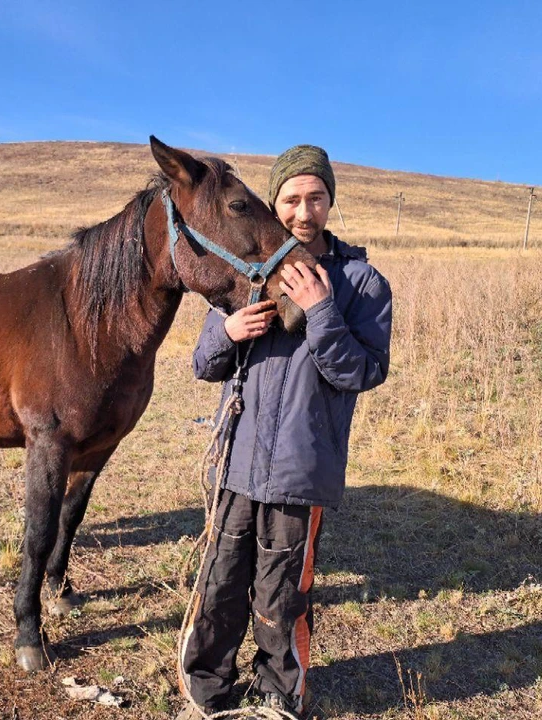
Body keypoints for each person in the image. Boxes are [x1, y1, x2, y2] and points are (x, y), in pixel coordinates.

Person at [177, 146, 392, 719]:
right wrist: (227, 331)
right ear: (273, 205)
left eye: (315, 198)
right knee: (220, 583)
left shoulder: (361, 282)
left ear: (330, 202)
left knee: (284, 591)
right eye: (291, 199)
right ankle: (208, 691)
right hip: (236, 461)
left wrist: (321, 311)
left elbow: (363, 372)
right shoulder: (246, 271)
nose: (303, 211)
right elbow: (203, 365)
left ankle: (279, 694)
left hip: (302, 467)